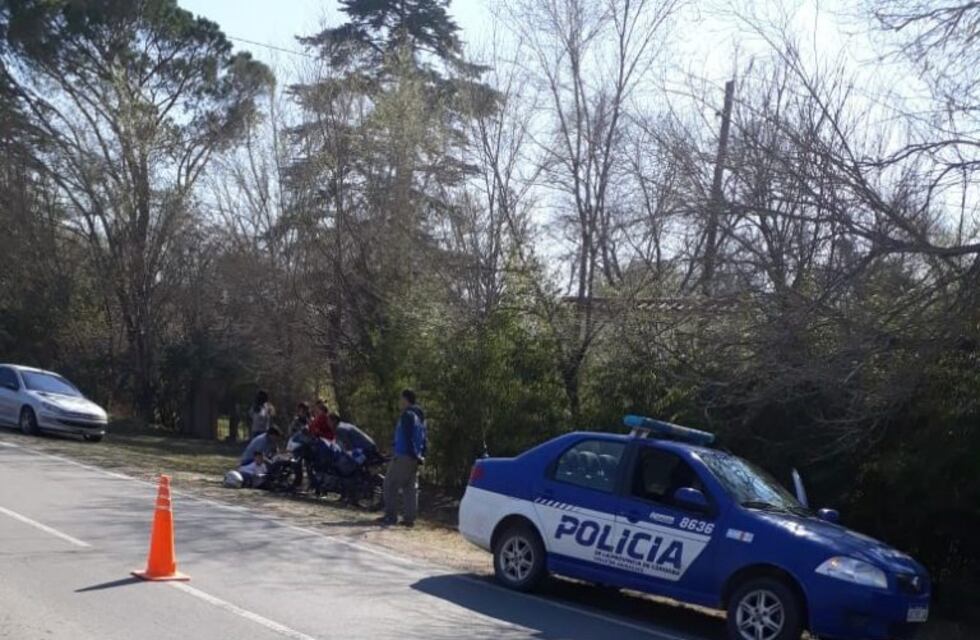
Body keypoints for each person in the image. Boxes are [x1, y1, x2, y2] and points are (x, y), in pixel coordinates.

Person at [380, 389, 427, 527]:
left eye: (401, 399)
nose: (400, 402)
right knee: (409, 488)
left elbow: (407, 437)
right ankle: (409, 519)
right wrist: (421, 456)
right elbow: (424, 440)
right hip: (414, 458)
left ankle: (390, 516)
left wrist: (412, 453)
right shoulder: (420, 418)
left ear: (406, 399)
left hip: (404, 456)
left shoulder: (407, 415)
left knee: (389, 484)